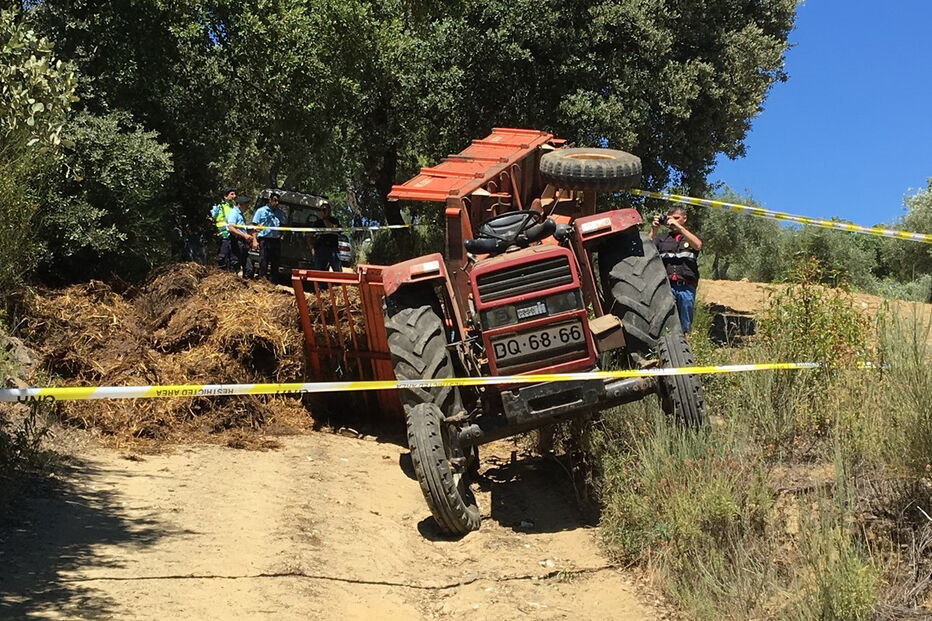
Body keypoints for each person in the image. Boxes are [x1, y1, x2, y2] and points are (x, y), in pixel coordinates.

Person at [650, 206, 703, 333]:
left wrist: (680, 228)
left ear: (684, 219)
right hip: (666, 287)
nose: (672, 221)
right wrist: (654, 230)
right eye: (669, 218)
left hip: (686, 287)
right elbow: (647, 248)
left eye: (676, 218)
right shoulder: (662, 238)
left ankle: (685, 347)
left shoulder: (690, 237)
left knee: (685, 324)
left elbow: (698, 245)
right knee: (665, 322)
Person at [209, 188, 253, 274]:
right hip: (222, 235)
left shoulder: (235, 209)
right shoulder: (219, 206)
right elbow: (212, 219)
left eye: (235, 194)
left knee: (233, 260)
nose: (234, 196)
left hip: (231, 236)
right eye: (232, 194)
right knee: (222, 259)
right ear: (225, 196)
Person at [251, 192, 287, 281]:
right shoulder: (261, 211)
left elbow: (284, 225)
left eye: (278, 201)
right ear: (270, 200)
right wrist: (254, 240)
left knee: (275, 262)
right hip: (264, 239)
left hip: (275, 240)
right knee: (263, 260)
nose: (277, 203)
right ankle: (262, 279)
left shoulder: (280, 213)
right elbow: (253, 226)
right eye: (275, 200)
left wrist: (282, 235)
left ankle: (273, 281)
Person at [311, 201, 342, 272]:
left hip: (333, 249)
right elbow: (310, 236)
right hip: (320, 250)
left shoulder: (334, 221)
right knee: (319, 271)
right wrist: (312, 248)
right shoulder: (317, 223)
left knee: (337, 271)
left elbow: (333, 228)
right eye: (321, 210)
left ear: (329, 211)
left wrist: (324, 219)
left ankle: (337, 283)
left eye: (324, 210)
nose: (322, 211)